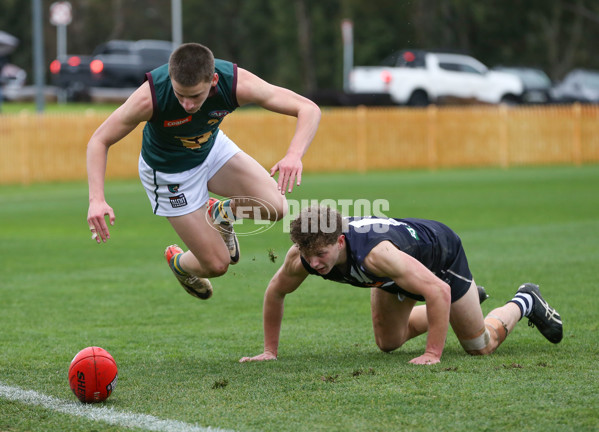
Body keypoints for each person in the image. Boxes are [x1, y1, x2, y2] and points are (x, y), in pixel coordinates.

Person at [86, 43, 321, 299]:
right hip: (169, 175)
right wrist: (96, 200)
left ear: (213, 80)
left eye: (195, 96)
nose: (187, 104)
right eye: (180, 95)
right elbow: (99, 140)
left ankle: (221, 214)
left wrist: (294, 155)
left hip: (210, 149)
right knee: (217, 265)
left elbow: (308, 108)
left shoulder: (236, 84)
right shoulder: (150, 97)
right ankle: (179, 264)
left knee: (276, 207)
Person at [240, 206, 563, 365]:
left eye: (321, 255)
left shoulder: (377, 256)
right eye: (308, 256)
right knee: (389, 343)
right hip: (396, 276)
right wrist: (270, 351)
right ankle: (454, 310)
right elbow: (276, 291)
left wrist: (432, 354)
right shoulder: (304, 255)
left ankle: (525, 301)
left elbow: (438, 290)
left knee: (479, 346)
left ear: (340, 241)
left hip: (440, 258)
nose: (315, 264)